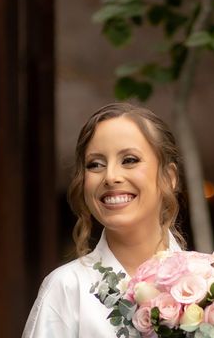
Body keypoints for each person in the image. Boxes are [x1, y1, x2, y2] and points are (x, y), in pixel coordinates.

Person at [22, 102, 186, 337]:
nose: (110, 177)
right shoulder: (68, 287)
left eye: (129, 160)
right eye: (95, 164)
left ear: (168, 177)